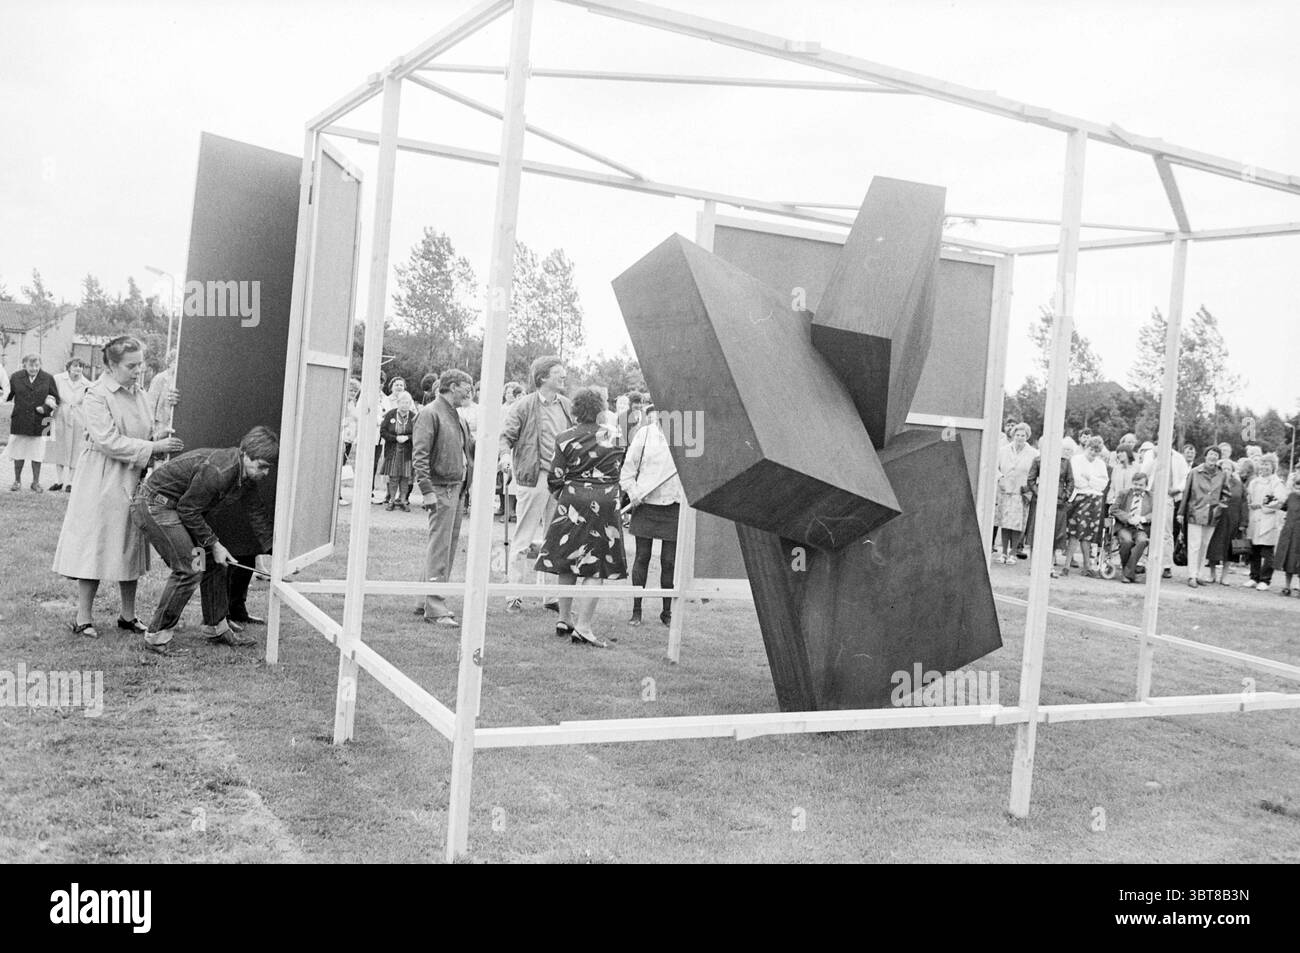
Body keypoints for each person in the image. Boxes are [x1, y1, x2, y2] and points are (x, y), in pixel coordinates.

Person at [52, 337, 183, 639]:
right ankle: (83, 616)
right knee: (94, 544)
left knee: (130, 543)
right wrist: (153, 445)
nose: (138, 371)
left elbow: (148, 431)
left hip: (132, 477)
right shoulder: (96, 395)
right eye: (131, 365)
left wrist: (166, 421)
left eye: (141, 364)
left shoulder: (139, 393)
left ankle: (128, 615)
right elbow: (107, 440)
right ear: (111, 365)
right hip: (101, 478)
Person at [129, 427, 278, 653]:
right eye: (262, 466)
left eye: (269, 467)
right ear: (246, 454)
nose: (265, 473)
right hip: (155, 505)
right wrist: (215, 544)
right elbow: (188, 509)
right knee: (189, 569)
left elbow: (256, 513)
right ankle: (157, 636)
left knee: (213, 563)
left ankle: (216, 628)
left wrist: (276, 552)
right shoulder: (220, 471)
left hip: (177, 508)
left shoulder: (246, 476)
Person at [536, 387, 628, 647]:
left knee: (567, 559)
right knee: (595, 565)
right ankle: (584, 627)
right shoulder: (616, 436)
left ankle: (564, 619)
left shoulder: (564, 437)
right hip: (606, 500)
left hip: (572, 499)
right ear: (601, 410)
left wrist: (564, 495)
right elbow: (623, 468)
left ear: (576, 409)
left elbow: (554, 476)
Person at [498, 356, 572, 613]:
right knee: (523, 537)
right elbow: (505, 437)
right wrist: (505, 458)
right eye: (557, 373)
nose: (563, 376)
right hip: (533, 477)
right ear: (542, 378)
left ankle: (549, 595)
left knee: (555, 537)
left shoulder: (565, 405)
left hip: (560, 479)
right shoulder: (523, 405)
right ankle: (514, 594)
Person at [412, 369, 475, 626]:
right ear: (451, 386)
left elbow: (466, 448)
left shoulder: (457, 416)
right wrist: (427, 490)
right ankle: (435, 607)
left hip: (457, 489)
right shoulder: (430, 413)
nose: (469, 392)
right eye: (465, 387)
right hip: (441, 489)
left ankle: (422, 600)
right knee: (440, 548)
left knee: (444, 548)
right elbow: (420, 455)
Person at [621, 408, 683, 627]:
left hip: (674, 504)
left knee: (669, 561)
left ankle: (667, 613)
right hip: (645, 504)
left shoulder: (685, 437)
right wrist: (634, 493)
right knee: (642, 557)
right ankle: (636, 611)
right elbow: (627, 471)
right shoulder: (644, 434)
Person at [6, 354, 60, 491]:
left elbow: (55, 398)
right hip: (20, 419)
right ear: (24, 365)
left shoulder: (48, 378)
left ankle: (36, 482)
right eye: (31, 365)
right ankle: (17, 481)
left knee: (38, 452)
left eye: (37, 365)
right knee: (18, 451)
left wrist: (46, 408)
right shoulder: (16, 377)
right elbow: (8, 394)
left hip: (43, 421)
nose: (34, 368)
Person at [1179, 446, 1227, 587]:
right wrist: (1181, 512)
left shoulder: (1222, 474)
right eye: (1211, 454)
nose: (1213, 457)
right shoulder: (1195, 472)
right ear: (1205, 456)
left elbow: (1226, 494)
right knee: (1194, 545)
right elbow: (1186, 493)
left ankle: (1199, 574)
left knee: (1204, 545)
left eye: (1216, 455)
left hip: (1212, 515)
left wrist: (1219, 507)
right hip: (1196, 512)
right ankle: (1191, 575)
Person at [1063, 436, 1109, 577]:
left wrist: (1090, 478)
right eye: (1091, 449)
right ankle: (1066, 566)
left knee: (1088, 534)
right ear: (1086, 447)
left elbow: (1103, 484)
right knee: (1075, 532)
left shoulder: (1101, 464)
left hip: (1095, 500)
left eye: (1097, 450)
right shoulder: (1076, 460)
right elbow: (1076, 481)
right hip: (1080, 497)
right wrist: (1092, 482)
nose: (1093, 453)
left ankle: (1087, 566)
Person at [993, 422, 1037, 564]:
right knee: (1004, 522)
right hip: (1005, 490)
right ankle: (1004, 552)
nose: (1020, 438)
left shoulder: (1034, 453)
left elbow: (1037, 473)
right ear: (1013, 435)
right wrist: (1000, 479)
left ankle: (1013, 553)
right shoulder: (1003, 450)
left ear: (1027, 437)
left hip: (1021, 492)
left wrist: (1030, 488)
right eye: (1017, 435)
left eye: (1023, 435)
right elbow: (994, 467)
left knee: (1017, 524)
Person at [1244, 453, 1286, 591]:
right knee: (1254, 550)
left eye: (1267, 464)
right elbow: (1249, 498)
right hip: (1254, 519)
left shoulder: (1277, 482)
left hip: (1269, 519)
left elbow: (1279, 501)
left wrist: (1262, 506)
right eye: (1262, 464)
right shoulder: (1254, 482)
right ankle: (1253, 577)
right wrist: (1252, 505)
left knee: (1267, 552)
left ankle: (1265, 580)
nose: (1264, 467)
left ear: (1273, 466)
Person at [49, 358, 90, 491]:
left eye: (81, 366)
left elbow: (89, 402)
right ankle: (59, 480)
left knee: (75, 448)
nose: (78, 369)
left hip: (78, 417)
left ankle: (71, 482)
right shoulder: (58, 379)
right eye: (75, 366)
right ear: (69, 367)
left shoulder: (87, 384)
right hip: (61, 414)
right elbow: (50, 394)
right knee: (59, 446)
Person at [1109, 469, 1154, 583]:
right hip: (1124, 526)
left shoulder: (1151, 497)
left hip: (1140, 528)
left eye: (1141, 485)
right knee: (1127, 541)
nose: (1138, 487)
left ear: (1146, 485)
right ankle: (1130, 573)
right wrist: (1128, 518)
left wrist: (1142, 519)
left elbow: (1156, 513)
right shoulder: (1124, 494)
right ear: (1132, 483)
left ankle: (1127, 573)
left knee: (1142, 541)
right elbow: (1113, 509)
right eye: (1135, 484)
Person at [1206, 458, 1246, 585]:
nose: (1226, 471)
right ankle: (1212, 574)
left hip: (1233, 520)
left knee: (1230, 548)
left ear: (1233, 471)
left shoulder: (1239, 485)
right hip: (1218, 519)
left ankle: (1224, 576)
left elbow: (1244, 503)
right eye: (1223, 468)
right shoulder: (1215, 482)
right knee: (1214, 546)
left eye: (1229, 468)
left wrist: (1243, 522)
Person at [380, 390, 417, 511]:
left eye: (407, 402)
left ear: (410, 403)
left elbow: (418, 433)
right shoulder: (390, 414)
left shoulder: (414, 416)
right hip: (393, 450)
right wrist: (395, 438)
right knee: (393, 477)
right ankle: (391, 500)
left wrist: (407, 437)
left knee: (406, 477)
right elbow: (383, 432)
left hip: (407, 451)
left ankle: (403, 501)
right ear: (398, 402)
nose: (405, 405)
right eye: (402, 402)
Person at [1272, 468, 1300, 596]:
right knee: (1289, 557)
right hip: (1290, 530)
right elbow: (1282, 507)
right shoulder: (1292, 496)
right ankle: (1287, 586)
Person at [340, 377, 361, 506]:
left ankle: (339, 493)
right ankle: (337, 495)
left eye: (355, 391)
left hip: (349, 439)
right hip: (342, 438)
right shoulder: (342, 405)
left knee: (342, 466)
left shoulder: (352, 405)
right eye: (351, 390)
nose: (352, 393)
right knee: (338, 467)